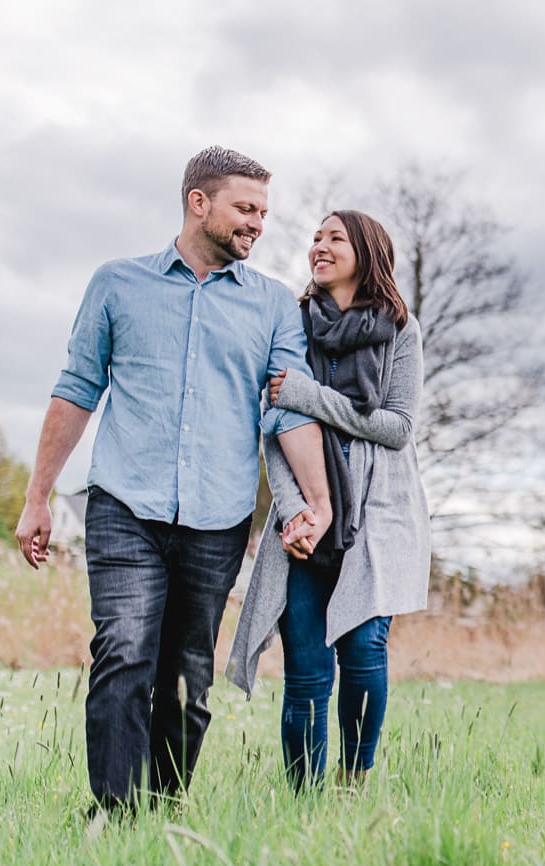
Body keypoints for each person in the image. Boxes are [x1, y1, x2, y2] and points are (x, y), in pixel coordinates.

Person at [14, 146, 333, 812]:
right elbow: (76, 390)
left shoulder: (273, 306)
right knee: (124, 650)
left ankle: (164, 811)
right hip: (125, 505)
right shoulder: (116, 284)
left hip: (217, 518)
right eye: (245, 208)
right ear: (199, 202)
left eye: (263, 213)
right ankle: (116, 812)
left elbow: (289, 411)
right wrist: (38, 495)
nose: (257, 225)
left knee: (188, 677)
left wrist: (319, 501)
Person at [228, 209, 430, 791]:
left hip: (379, 513)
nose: (319, 246)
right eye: (316, 238)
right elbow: (276, 422)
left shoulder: (400, 329)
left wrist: (310, 395)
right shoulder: (292, 324)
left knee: (365, 646)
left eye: (334, 238)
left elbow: (395, 426)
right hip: (304, 514)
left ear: (366, 253)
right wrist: (295, 510)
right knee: (307, 669)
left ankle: (353, 780)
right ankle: (304, 801)